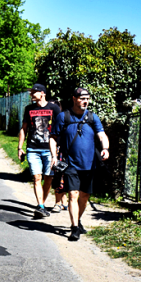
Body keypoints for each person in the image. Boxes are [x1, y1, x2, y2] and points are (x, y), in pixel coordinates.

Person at [51, 87, 110, 242]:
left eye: (88, 99)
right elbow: (53, 137)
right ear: (74, 98)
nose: (85, 101)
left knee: (84, 196)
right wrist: (54, 157)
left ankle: (78, 219)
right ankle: (74, 228)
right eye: (82, 98)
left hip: (89, 165)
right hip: (70, 164)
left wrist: (105, 148)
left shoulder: (92, 117)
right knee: (73, 194)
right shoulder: (64, 117)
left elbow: (102, 134)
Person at [18, 84, 61, 219]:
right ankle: (41, 206)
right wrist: (20, 147)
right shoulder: (29, 109)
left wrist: (59, 148)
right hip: (33, 148)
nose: (31, 94)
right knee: (37, 178)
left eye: (34, 92)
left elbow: (60, 127)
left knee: (48, 178)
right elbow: (24, 128)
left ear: (42, 93)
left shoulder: (54, 108)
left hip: (50, 149)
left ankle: (41, 204)